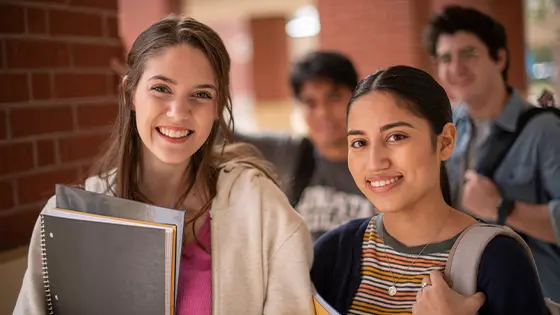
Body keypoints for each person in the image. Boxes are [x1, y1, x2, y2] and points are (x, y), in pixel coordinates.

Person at [13, 15, 315, 315]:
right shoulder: (68, 216)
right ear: (130, 92)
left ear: (217, 106)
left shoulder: (260, 207)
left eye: (201, 94)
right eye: (161, 88)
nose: (178, 112)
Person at [311, 65, 548, 315]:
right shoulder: (333, 252)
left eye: (396, 137)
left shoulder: (500, 259)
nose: (375, 162)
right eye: (359, 142)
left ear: (445, 142)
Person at [426, 5, 560, 301]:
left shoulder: (546, 130)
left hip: (535, 300)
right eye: (446, 58)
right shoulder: (445, 129)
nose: (456, 68)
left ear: (499, 57)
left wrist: (504, 208)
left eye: (469, 54)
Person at [235, 51, 375, 241]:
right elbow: (223, 136)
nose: (323, 113)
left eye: (334, 98)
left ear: (356, 97)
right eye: (310, 103)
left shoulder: (379, 161)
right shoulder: (293, 154)